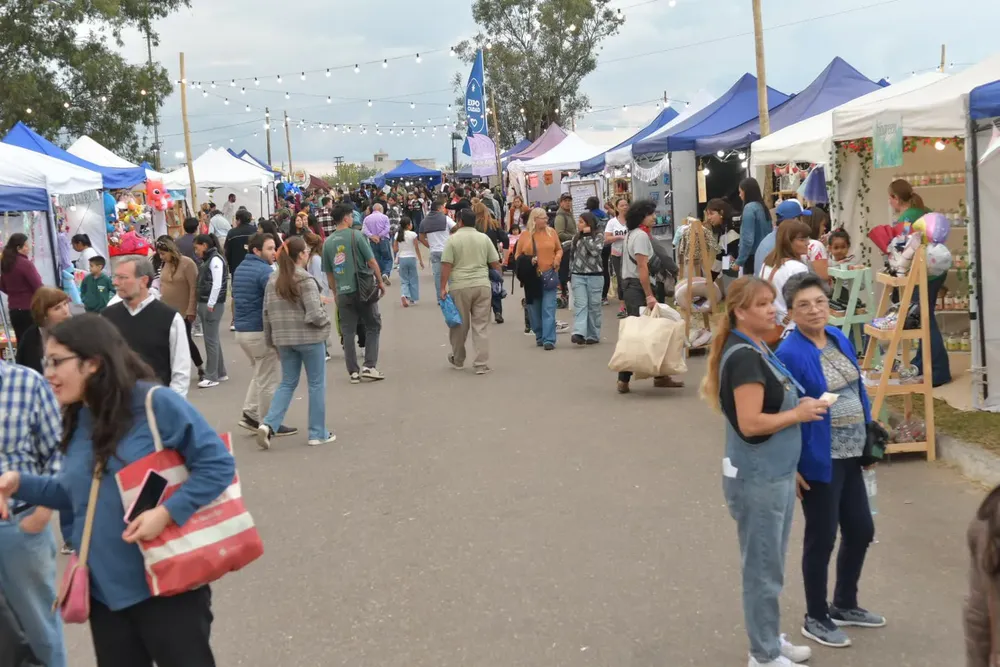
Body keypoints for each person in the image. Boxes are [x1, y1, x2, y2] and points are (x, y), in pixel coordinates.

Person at [0, 314, 233, 667]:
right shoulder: (79, 416)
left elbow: (218, 463)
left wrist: (168, 512)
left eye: (56, 361)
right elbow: (76, 495)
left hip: (166, 583)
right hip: (105, 594)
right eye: (46, 361)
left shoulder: (154, 404)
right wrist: (20, 483)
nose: (48, 372)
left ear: (92, 362)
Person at [699, 275, 827, 667]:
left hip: (776, 473)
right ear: (740, 312)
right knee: (762, 568)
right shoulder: (744, 357)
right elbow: (751, 422)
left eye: (772, 301)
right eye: (762, 304)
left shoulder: (756, 347)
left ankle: (769, 637)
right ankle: (764, 654)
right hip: (758, 478)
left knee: (770, 561)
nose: (773, 309)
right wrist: (798, 413)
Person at [776, 272, 884, 649]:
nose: (815, 310)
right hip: (819, 459)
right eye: (803, 305)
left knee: (861, 530)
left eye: (819, 302)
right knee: (821, 538)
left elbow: (856, 387)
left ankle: (844, 603)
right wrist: (790, 466)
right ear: (790, 313)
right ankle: (815, 616)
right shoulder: (788, 352)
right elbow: (782, 411)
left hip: (853, 452)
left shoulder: (837, 337)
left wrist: (869, 434)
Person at [0, 360, 65, 667]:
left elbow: (58, 449)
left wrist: (42, 513)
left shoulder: (28, 383)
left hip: (20, 525)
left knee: (40, 625)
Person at [256, 236, 335, 449]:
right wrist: (325, 321)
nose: (308, 253)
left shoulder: (273, 280)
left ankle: (269, 424)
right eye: (306, 251)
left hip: (283, 338)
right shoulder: (305, 280)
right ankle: (317, 432)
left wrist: (271, 340)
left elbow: (266, 314)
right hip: (309, 338)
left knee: (288, 382)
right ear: (300, 255)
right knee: (316, 384)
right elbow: (314, 314)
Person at [613, 199, 684, 393]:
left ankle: (660, 375)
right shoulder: (641, 237)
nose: (654, 217)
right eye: (651, 214)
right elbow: (642, 267)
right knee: (637, 332)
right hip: (638, 287)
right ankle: (624, 378)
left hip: (631, 286)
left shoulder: (631, 235)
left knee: (652, 329)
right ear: (642, 216)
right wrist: (649, 295)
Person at [888, 179, 950, 386]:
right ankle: (922, 363)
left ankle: (939, 371)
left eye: (890, 198)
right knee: (926, 316)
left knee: (924, 319)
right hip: (937, 270)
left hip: (920, 273)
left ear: (895, 198)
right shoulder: (926, 210)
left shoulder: (906, 219)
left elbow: (901, 247)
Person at [102, 257, 192, 397]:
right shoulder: (107, 317)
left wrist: (172, 404)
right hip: (118, 405)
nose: (115, 282)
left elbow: (181, 369)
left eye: (123, 277)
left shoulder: (169, 318)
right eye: (115, 277)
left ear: (143, 281)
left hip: (156, 402)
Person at [323, 203, 386, 383]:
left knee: (348, 331)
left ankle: (353, 372)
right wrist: (380, 282)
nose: (352, 219)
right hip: (362, 289)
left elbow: (328, 272)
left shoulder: (328, 242)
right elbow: (372, 261)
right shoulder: (356, 236)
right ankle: (369, 366)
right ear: (345, 218)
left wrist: (335, 292)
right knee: (373, 325)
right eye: (351, 216)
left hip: (342, 292)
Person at [440, 208, 502, 374]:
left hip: (459, 286)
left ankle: (458, 359)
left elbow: (446, 265)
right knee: (481, 325)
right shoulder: (484, 238)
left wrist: (442, 287)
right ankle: (481, 364)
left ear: (459, 221)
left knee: (459, 325)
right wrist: (498, 281)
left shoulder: (452, 240)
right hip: (482, 284)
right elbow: (495, 262)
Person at [155, 237, 204, 383]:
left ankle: (200, 366)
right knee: (167, 342)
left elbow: (193, 287)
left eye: (163, 253)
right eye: (160, 254)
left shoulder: (187, 264)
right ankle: (171, 371)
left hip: (183, 310)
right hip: (165, 309)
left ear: (171, 251)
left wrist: (191, 309)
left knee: (186, 340)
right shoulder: (165, 264)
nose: (161, 257)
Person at [515, 208, 562, 350]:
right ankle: (539, 334)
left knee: (549, 308)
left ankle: (549, 339)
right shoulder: (525, 235)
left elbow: (559, 249)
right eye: (543, 217)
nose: (546, 220)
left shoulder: (551, 232)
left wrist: (557, 259)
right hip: (532, 278)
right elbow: (517, 257)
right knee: (534, 309)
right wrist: (529, 261)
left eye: (547, 217)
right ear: (535, 219)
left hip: (549, 274)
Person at [758, 220, 812, 337]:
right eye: (802, 240)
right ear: (788, 242)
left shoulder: (767, 263)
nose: (807, 243)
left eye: (807, 238)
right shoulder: (797, 268)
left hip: (769, 326)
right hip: (791, 329)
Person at [193, 234, 228, 388]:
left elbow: (217, 284)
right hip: (209, 302)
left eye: (197, 247)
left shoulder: (214, 260)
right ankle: (220, 372)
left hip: (211, 303)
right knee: (212, 339)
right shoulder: (211, 259)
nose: (196, 251)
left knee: (210, 340)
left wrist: (211, 303)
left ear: (204, 245)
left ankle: (211, 375)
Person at [14, 287, 72, 375]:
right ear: (44, 314)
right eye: (57, 308)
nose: (65, 311)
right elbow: (22, 369)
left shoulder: (77, 331)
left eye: (65, 304)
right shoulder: (30, 336)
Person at [569, 211, 605, 346]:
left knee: (594, 306)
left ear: (589, 224)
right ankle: (579, 333)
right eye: (578, 221)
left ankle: (593, 334)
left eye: (581, 222)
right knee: (581, 304)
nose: (578, 224)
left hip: (595, 275)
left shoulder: (599, 236)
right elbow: (572, 256)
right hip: (578, 275)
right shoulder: (575, 238)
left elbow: (595, 252)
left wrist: (587, 236)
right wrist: (570, 273)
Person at [1, 233, 43, 342]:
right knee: (32, 344)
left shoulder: (6, 263)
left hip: (14, 309)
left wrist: (14, 293)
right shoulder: (25, 264)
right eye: (26, 245)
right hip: (27, 308)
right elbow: (37, 285)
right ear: (18, 248)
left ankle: (21, 360)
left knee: (22, 343)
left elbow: (2, 285)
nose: (28, 248)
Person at [474, 201, 509, 323]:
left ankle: (483, 311)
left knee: (481, 286)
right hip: (493, 258)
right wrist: (505, 256)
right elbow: (505, 238)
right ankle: (498, 311)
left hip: (478, 259)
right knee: (496, 285)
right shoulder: (493, 224)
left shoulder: (473, 227)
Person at [735, 177, 773, 276]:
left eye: (740, 192)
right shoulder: (763, 207)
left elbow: (747, 239)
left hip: (752, 257)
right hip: (766, 254)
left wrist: (739, 261)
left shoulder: (749, 208)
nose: (739, 195)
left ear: (746, 192)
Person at [419, 197, 457, 296]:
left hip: (434, 252)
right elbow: (456, 228)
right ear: (439, 209)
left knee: (437, 276)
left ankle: (440, 296)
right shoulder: (445, 218)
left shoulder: (424, 221)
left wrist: (430, 246)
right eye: (443, 208)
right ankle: (452, 295)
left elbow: (421, 238)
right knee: (450, 274)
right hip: (446, 250)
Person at [605, 197, 630, 318]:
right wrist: (619, 237)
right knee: (621, 280)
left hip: (631, 254)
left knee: (631, 278)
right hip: (617, 254)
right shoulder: (612, 222)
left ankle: (632, 304)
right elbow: (607, 239)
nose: (625, 207)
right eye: (622, 205)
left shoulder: (632, 221)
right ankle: (622, 306)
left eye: (626, 205)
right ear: (617, 208)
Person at [394, 217, 423, 307]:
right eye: (411, 223)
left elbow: (395, 249)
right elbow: (416, 248)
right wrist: (421, 260)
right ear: (408, 225)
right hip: (412, 257)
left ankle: (404, 294)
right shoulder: (413, 234)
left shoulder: (397, 234)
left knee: (404, 279)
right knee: (413, 279)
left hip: (402, 258)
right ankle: (412, 298)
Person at [362, 203, 393, 284]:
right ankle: (385, 273)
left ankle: (379, 275)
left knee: (377, 259)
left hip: (372, 242)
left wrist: (372, 236)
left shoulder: (367, 218)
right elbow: (387, 229)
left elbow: (364, 230)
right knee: (388, 258)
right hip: (383, 240)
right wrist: (379, 236)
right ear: (380, 209)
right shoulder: (384, 217)